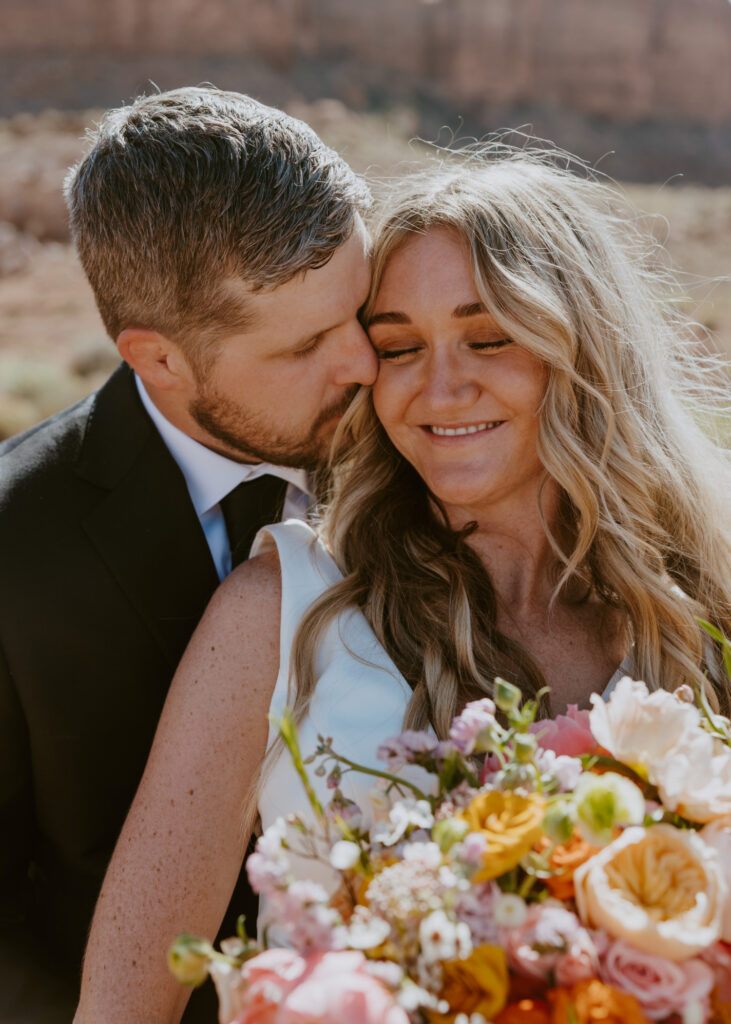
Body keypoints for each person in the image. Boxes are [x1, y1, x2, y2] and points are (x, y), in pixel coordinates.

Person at [75, 147, 731, 1023]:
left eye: (487, 336)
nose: (439, 386)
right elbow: (123, 1007)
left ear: (587, 349)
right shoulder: (280, 613)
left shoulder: (706, 605)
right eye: (397, 347)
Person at [0, 86, 377, 1024]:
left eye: (360, 312)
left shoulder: (425, 456)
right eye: (307, 346)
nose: (366, 366)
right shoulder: (14, 547)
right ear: (156, 358)